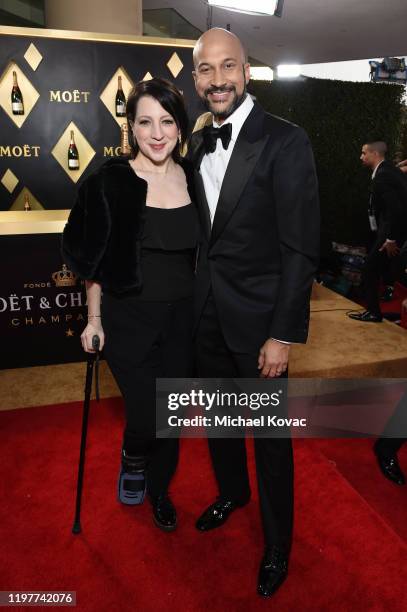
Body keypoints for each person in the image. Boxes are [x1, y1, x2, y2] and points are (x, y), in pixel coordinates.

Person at [188, 28, 320, 597]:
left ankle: (277, 544)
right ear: (195, 78)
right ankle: (232, 493)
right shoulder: (195, 145)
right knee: (219, 422)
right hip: (206, 317)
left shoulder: (286, 141)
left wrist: (283, 335)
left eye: (228, 67)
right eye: (204, 70)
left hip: (261, 324)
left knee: (269, 440)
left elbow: (300, 247)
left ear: (247, 72)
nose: (217, 80)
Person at [62, 78, 198, 531]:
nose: (156, 133)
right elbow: (93, 261)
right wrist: (93, 319)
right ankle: (133, 456)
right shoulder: (109, 181)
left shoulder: (194, 178)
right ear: (131, 128)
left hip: (183, 321)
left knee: (172, 414)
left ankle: (159, 489)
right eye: (145, 122)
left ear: (179, 127)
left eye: (166, 121)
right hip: (129, 320)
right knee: (145, 414)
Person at [348, 141, 407, 323]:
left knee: (369, 269)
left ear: (375, 154)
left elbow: (395, 209)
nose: (361, 157)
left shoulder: (383, 175)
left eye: (364, 153)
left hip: (391, 230)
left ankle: (373, 312)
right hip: (389, 229)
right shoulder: (388, 170)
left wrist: (390, 238)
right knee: (379, 267)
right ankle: (375, 309)